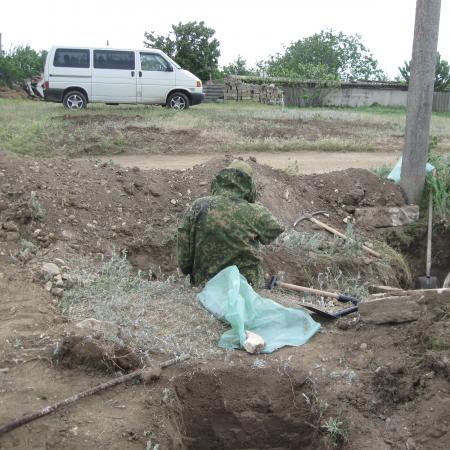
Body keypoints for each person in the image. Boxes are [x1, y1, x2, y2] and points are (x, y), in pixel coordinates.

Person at [177, 160, 284, 287]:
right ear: (249, 185)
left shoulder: (198, 206)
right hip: (246, 287)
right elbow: (276, 229)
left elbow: (184, 261)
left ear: (221, 180)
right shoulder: (256, 212)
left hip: (206, 286)